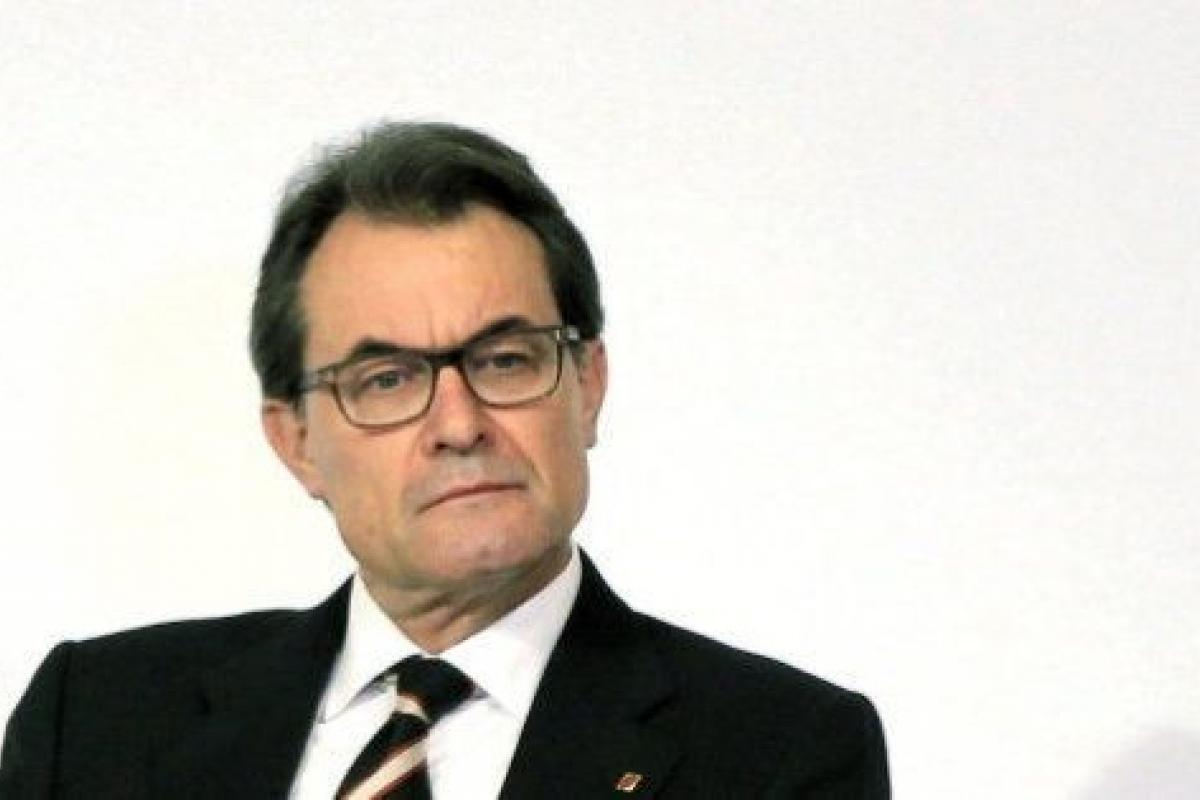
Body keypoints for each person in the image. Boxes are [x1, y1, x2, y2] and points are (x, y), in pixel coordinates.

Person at [0, 121, 890, 798]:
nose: (459, 424)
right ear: (296, 441)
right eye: (386, 380)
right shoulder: (97, 720)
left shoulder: (782, 752)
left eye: (506, 361)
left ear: (587, 386)